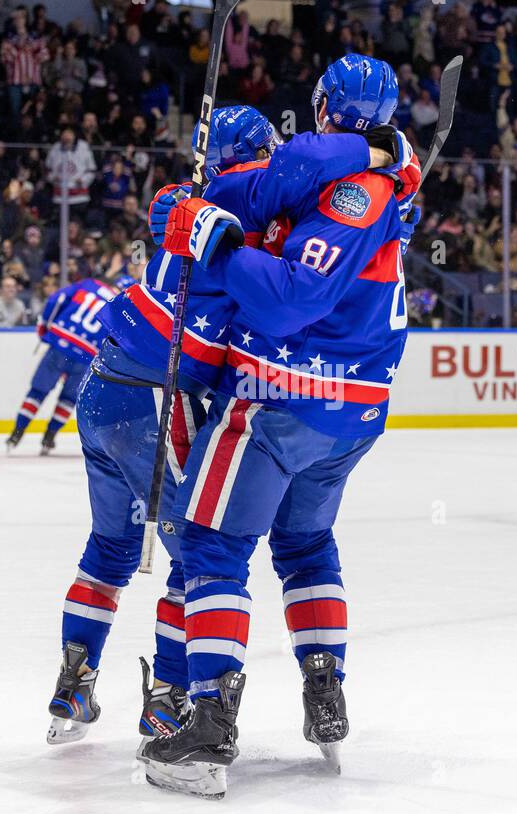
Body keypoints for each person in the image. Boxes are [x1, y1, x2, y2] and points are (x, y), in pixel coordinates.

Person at [45, 104, 411, 757]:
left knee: (111, 549)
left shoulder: (180, 196)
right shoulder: (263, 213)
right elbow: (290, 290)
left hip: (103, 386)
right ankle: (171, 701)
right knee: (197, 554)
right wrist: (391, 177)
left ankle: (73, 686)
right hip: (168, 397)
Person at [138, 56, 421, 797]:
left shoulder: (355, 194)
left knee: (210, 545)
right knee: (303, 544)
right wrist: (199, 195)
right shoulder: (364, 175)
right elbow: (270, 187)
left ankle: (208, 727)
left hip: (279, 400)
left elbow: (292, 297)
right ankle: (325, 694)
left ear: (323, 106)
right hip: (354, 416)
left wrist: (217, 243)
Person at [6, 276, 117, 457]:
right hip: (86, 354)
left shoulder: (88, 284)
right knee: (68, 399)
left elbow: (57, 299)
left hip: (61, 343)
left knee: (38, 391)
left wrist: (45, 326)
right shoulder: (116, 304)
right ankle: (49, 437)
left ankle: (17, 433)